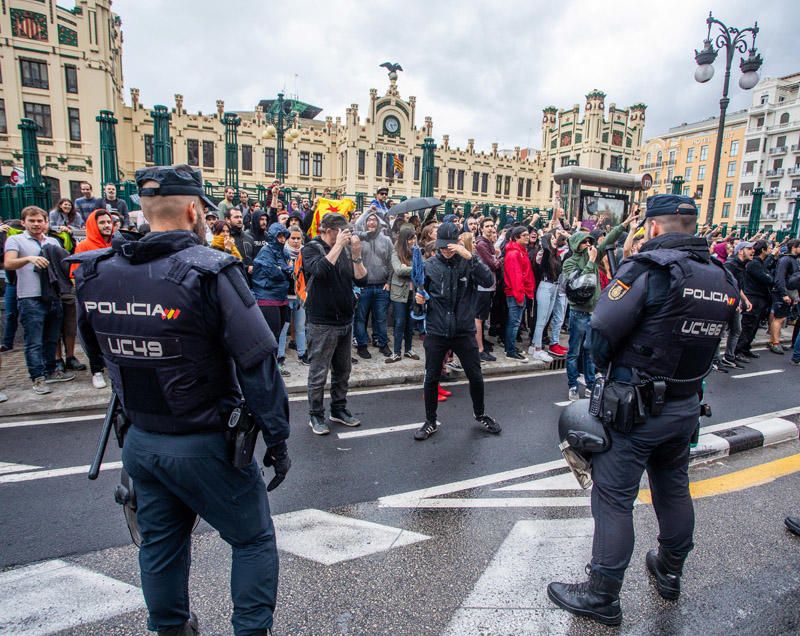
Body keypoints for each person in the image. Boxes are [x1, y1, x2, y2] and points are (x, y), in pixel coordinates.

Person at [72, 164, 290, 636]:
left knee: (159, 547)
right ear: (194, 210)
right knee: (252, 539)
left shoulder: (95, 272)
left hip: (142, 441)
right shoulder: (211, 270)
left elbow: (97, 351)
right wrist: (277, 438)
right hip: (206, 441)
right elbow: (257, 361)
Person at [547, 195, 738, 626]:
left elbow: (601, 327)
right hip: (686, 404)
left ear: (653, 227)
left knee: (613, 499)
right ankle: (670, 570)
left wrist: (606, 370)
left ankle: (602, 594)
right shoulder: (722, 275)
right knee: (672, 487)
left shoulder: (648, 270)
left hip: (635, 407)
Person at [413, 222, 500, 441]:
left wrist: (471, 257)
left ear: (458, 243)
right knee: (431, 377)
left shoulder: (467, 262)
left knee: (475, 376)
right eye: (441, 246)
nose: (445, 250)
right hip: (437, 329)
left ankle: (480, 414)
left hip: (463, 330)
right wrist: (419, 301)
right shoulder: (429, 265)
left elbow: (489, 280)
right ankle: (430, 420)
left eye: (449, 246)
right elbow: (417, 300)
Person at [302, 213, 367, 435]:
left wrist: (357, 255)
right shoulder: (310, 248)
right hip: (321, 323)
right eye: (341, 232)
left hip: (345, 321)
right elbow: (319, 271)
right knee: (318, 373)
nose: (345, 236)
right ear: (329, 230)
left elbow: (361, 279)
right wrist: (338, 246)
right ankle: (315, 415)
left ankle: (338, 410)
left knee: (343, 371)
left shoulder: (346, 250)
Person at [3, 206, 76, 394]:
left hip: (53, 295)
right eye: (32, 220)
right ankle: (38, 378)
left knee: (52, 338)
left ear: (46, 222)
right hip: (30, 297)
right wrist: (29, 259)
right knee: (33, 341)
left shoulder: (52, 241)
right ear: (23, 222)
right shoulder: (15, 240)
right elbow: (8, 263)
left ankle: (51, 371)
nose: (36, 224)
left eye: (40, 221)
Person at [562, 215, 628, 401]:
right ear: (576, 245)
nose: (588, 245)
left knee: (590, 351)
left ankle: (591, 384)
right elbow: (580, 283)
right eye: (584, 243)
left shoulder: (594, 253)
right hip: (579, 312)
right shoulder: (570, 262)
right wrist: (591, 262)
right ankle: (573, 385)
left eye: (589, 242)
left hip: (594, 312)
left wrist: (624, 224)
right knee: (574, 352)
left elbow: (608, 239)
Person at [70, 209, 115, 389]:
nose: (106, 226)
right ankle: (96, 371)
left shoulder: (117, 244)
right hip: (90, 298)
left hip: (113, 297)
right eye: (102, 222)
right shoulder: (84, 246)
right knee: (90, 335)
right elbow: (74, 274)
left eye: (108, 222)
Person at [251, 224, 293, 377]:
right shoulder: (266, 251)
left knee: (279, 333)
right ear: (273, 237)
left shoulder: (283, 252)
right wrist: (286, 270)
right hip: (267, 297)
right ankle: (268, 369)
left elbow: (287, 271)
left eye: (284, 236)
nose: (282, 239)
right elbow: (274, 272)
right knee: (271, 335)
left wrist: (285, 270)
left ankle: (273, 366)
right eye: (279, 236)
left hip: (280, 297)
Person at [354, 210, 394, 358]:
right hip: (363, 286)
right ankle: (362, 345)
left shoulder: (387, 240)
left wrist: (389, 282)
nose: (371, 222)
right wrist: (367, 212)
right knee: (361, 318)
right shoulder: (358, 238)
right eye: (369, 220)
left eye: (374, 220)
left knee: (381, 318)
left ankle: (383, 344)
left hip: (381, 286)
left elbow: (391, 262)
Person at [735, 240, 773, 360]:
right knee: (748, 325)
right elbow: (767, 279)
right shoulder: (753, 264)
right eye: (749, 249)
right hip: (753, 298)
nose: (752, 251)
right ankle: (739, 350)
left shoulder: (759, 263)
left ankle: (745, 348)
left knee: (754, 326)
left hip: (759, 298)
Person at [387, 225, 419, 363]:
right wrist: (415, 269)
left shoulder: (416, 252)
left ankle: (408, 350)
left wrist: (409, 268)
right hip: (399, 293)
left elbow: (422, 267)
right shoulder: (396, 252)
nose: (413, 241)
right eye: (410, 239)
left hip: (413, 292)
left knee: (410, 324)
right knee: (399, 322)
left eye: (414, 238)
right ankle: (396, 352)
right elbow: (399, 271)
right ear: (404, 239)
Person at [503, 226, 535, 362]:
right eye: (524, 235)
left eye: (528, 234)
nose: (527, 237)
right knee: (514, 322)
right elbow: (515, 277)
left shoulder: (520, 251)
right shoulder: (514, 254)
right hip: (516, 293)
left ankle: (510, 347)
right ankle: (510, 350)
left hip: (520, 292)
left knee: (515, 322)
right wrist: (519, 295)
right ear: (516, 237)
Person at [721, 241, 754, 368]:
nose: (753, 251)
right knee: (721, 332)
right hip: (728, 303)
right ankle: (715, 360)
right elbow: (726, 285)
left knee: (736, 330)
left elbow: (738, 286)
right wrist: (734, 301)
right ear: (740, 251)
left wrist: (745, 300)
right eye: (749, 248)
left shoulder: (742, 266)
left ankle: (729, 357)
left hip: (735, 302)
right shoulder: (730, 265)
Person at [278, 226, 308, 366]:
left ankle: (302, 354)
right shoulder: (282, 252)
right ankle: (280, 356)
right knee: (284, 327)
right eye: (293, 238)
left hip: (300, 295)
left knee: (300, 326)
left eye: (298, 238)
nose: (296, 241)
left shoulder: (306, 252)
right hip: (285, 295)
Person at [474, 217, 499, 362]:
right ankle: (479, 349)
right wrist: (499, 257)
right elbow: (493, 265)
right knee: (478, 317)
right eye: (487, 226)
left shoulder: (489, 244)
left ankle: (482, 342)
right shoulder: (482, 244)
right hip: (482, 286)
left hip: (489, 285)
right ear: (482, 228)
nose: (490, 228)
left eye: (492, 226)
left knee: (482, 317)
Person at [768, 239, 799, 354]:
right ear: (794, 247)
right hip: (782, 293)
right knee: (779, 318)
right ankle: (775, 343)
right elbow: (779, 278)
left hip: (787, 293)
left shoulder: (791, 260)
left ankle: (775, 341)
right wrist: (784, 294)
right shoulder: (786, 260)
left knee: (781, 318)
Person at [226, 207, 255, 275]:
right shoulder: (225, 239)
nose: (239, 220)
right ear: (227, 220)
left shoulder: (249, 238)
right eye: (236, 217)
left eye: (240, 217)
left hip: (250, 280)